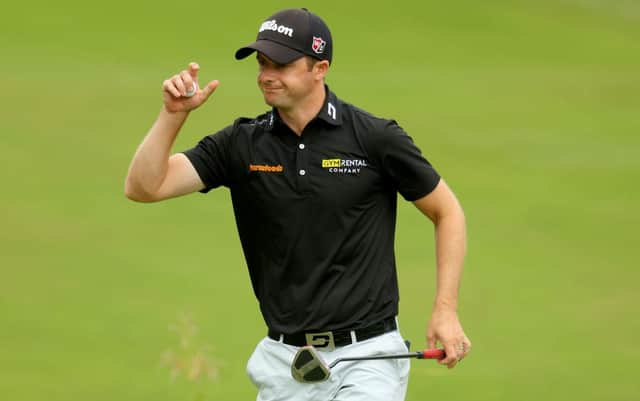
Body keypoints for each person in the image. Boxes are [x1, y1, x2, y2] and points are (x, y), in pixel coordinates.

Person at [125, 7, 471, 401]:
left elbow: (448, 211)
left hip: (368, 355)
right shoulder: (241, 143)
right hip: (285, 363)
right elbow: (144, 187)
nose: (266, 75)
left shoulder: (374, 138)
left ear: (319, 68)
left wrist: (445, 309)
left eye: (282, 64)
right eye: (262, 63)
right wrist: (173, 116)